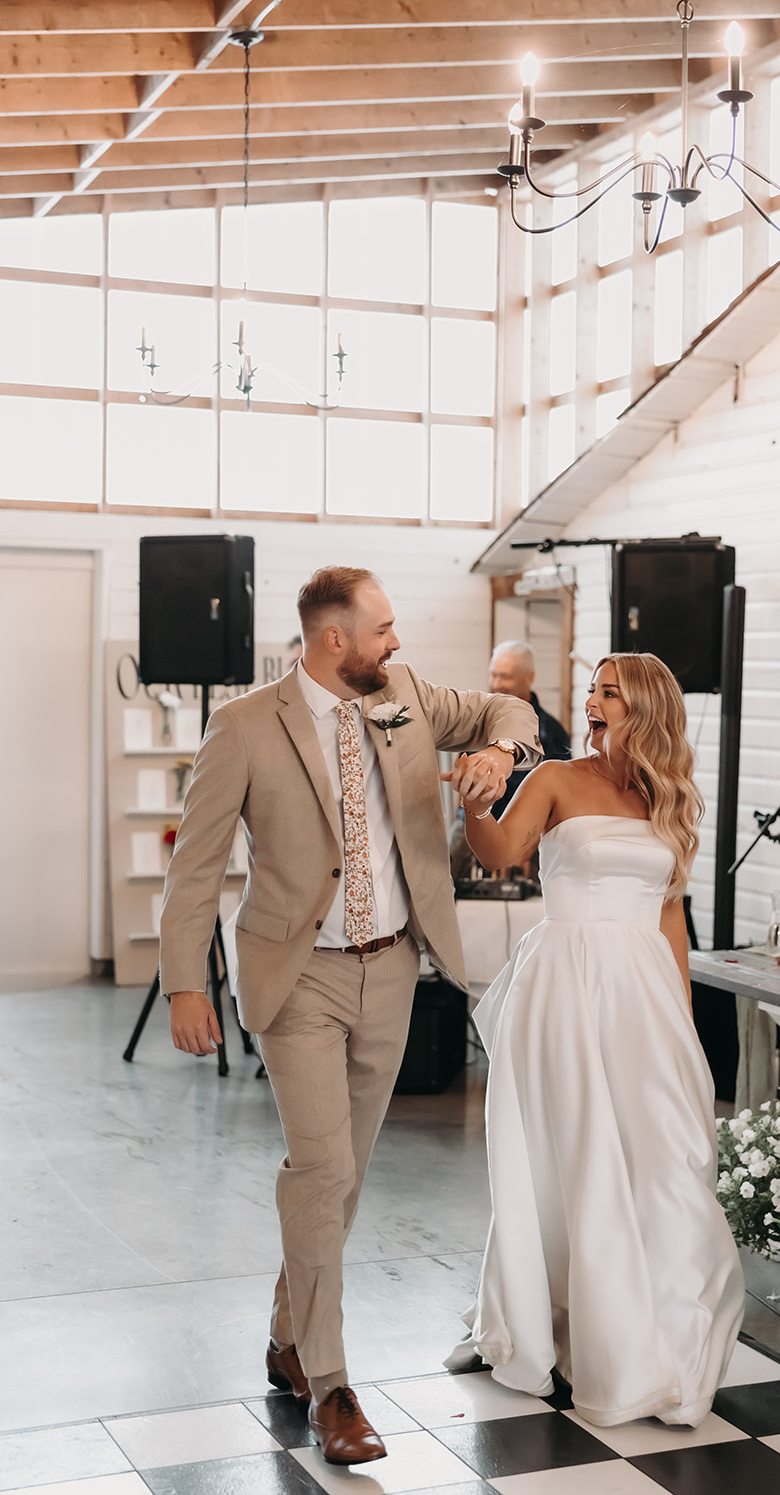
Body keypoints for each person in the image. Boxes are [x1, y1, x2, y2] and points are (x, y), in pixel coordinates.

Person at [159, 566, 540, 1467]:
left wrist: (501, 756)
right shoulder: (244, 727)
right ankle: (331, 1386)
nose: (396, 642)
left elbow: (508, 712)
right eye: (383, 629)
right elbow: (197, 864)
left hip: (394, 969)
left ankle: (288, 1334)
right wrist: (184, 981)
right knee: (320, 1169)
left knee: (346, 1178)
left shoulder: (402, 694)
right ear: (335, 640)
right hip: (299, 979)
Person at [449, 651, 744, 1427]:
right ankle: (545, 1321)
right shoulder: (553, 778)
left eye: (609, 691)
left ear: (645, 707)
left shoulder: (670, 797)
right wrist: (475, 806)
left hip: (643, 994)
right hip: (564, 985)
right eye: (591, 688)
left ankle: (656, 1336)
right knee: (567, 1156)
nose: (592, 699)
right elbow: (504, 855)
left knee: (662, 1156)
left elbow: (671, 915)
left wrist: (681, 1020)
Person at [450, 639, 571, 880]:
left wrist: (528, 842)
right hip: (470, 822)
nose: (496, 684)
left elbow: (563, 796)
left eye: (505, 677)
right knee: (442, 868)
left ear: (529, 678)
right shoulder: (475, 722)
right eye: (493, 675)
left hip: (528, 831)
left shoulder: (551, 732)